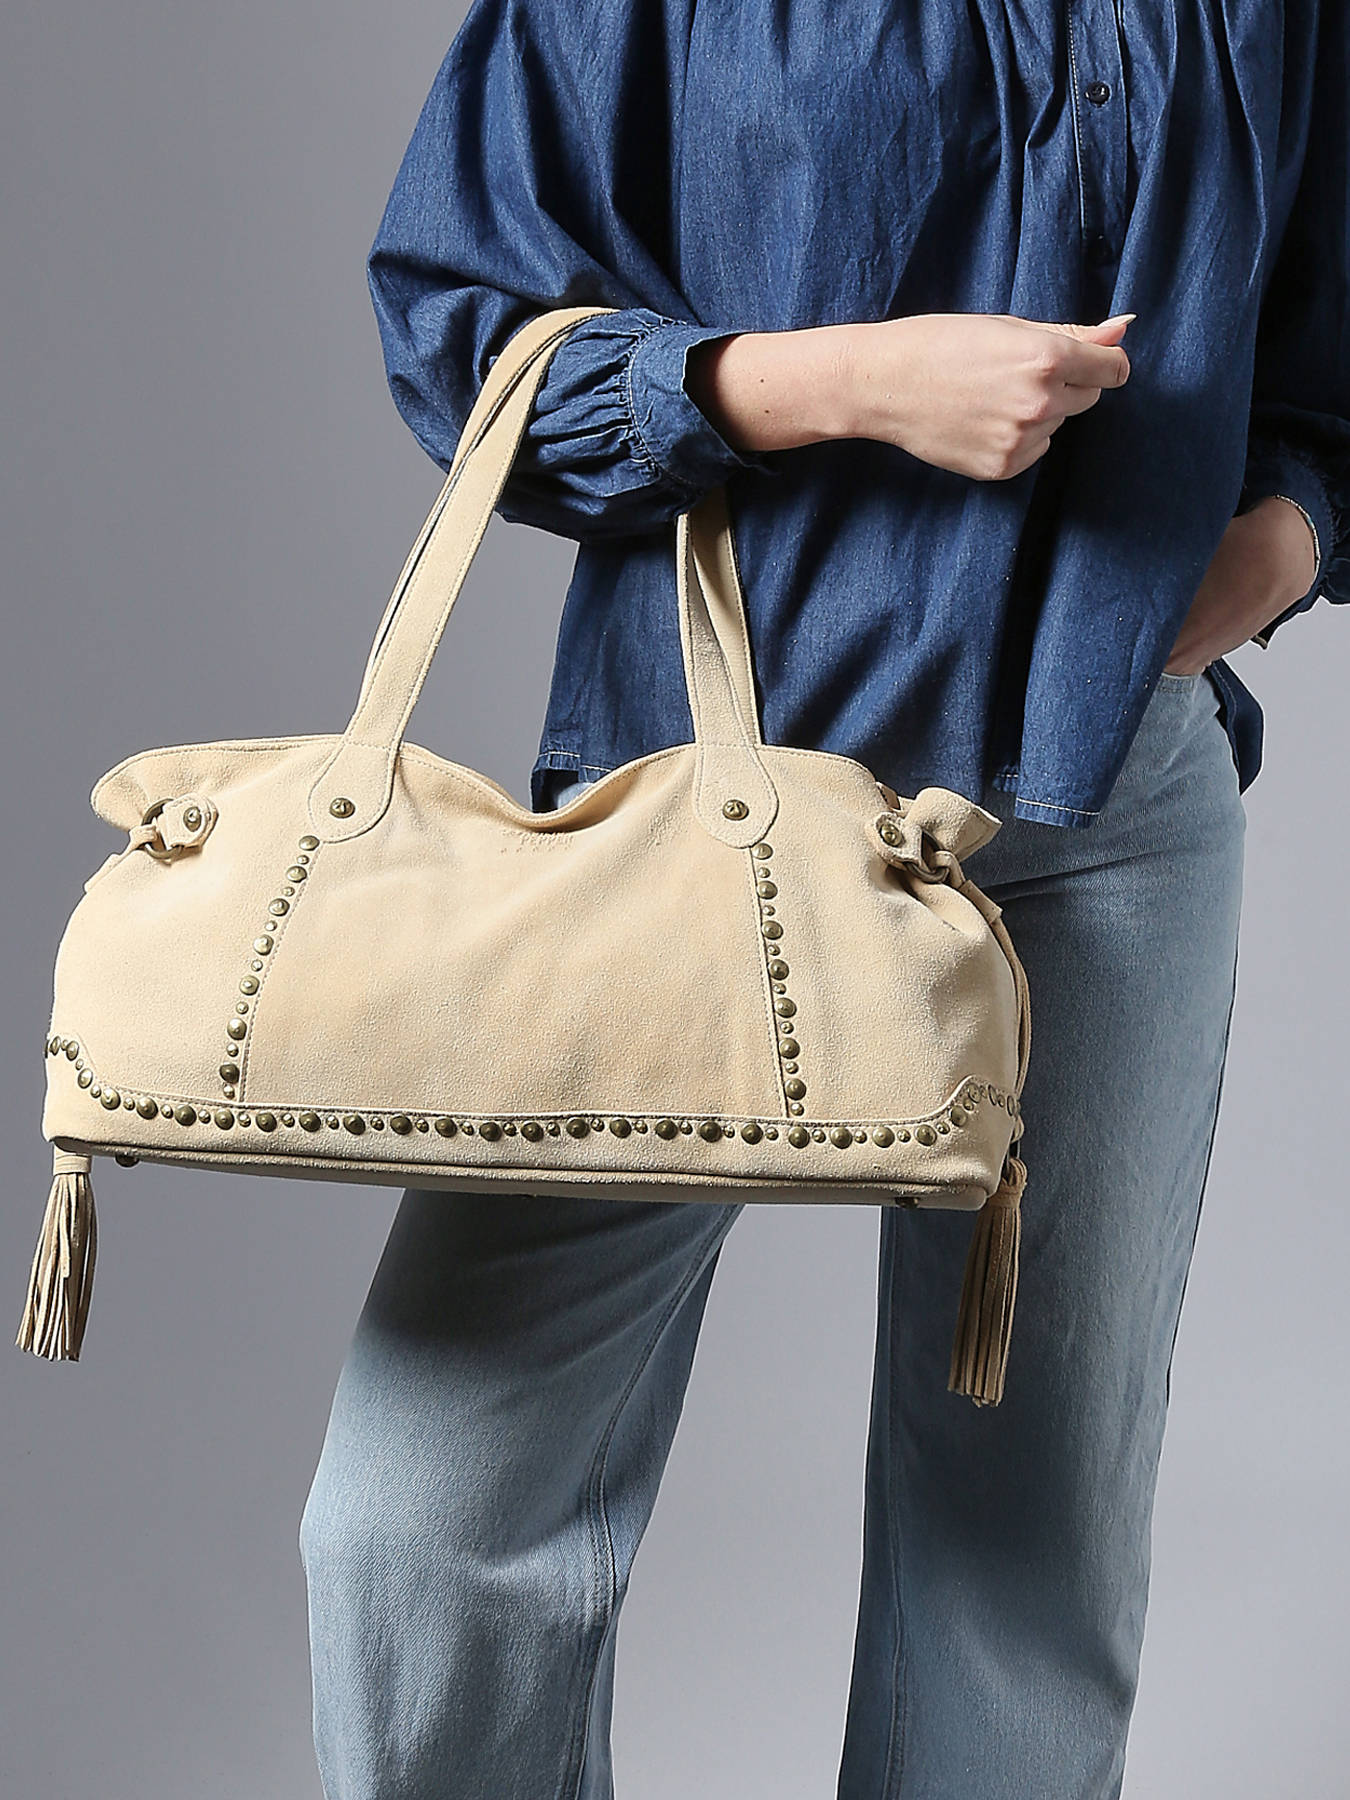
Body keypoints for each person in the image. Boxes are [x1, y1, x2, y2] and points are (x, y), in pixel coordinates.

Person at [297, 3, 1348, 1795]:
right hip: (710, 802)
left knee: (1024, 1555)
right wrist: (841, 382)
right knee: (422, 1523)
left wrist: (1283, 540)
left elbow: (1324, 334)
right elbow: (461, 335)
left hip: (1109, 806)